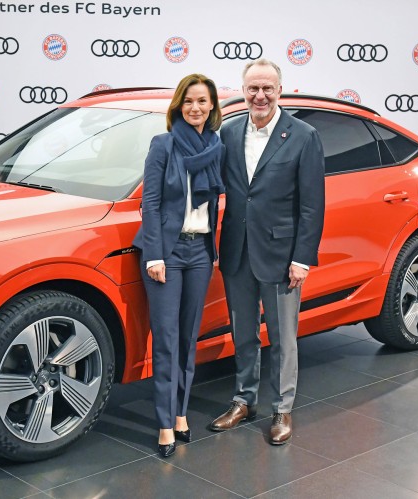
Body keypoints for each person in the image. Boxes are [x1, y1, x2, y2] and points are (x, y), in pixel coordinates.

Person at [209, 59, 325, 445]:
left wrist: (302, 259)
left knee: (282, 338)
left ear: (279, 90)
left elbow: (312, 205)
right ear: (243, 91)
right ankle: (244, 400)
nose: (260, 96)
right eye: (253, 89)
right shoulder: (228, 132)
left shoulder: (303, 136)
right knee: (243, 333)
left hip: (281, 255)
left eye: (267, 88)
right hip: (237, 251)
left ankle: (282, 408)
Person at [132, 74, 224, 458]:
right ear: (178, 106)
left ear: (212, 105)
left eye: (202, 101)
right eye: (188, 101)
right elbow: (150, 203)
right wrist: (154, 255)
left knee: (188, 339)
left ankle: (181, 412)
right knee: (167, 341)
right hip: (166, 254)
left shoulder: (216, 146)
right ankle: (165, 424)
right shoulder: (164, 145)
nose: (195, 108)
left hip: (200, 252)